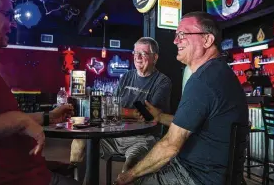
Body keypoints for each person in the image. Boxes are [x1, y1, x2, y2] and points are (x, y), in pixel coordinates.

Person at [114, 11, 249, 185]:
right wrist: (160, 116)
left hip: (196, 177)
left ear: (207, 40)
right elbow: (191, 124)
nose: (175, 41)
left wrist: (129, 175)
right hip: (211, 173)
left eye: (182, 35)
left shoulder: (203, 81)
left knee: (132, 179)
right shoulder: (216, 73)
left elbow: (171, 145)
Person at [0, 0, 80, 185]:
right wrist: (19, 121)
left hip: (34, 172)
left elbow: (3, 119)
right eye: (8, 15)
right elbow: (12, 121)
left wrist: (49, 117)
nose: (13, 24)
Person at [99, 37, 172, 172]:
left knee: (129, 170)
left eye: (143, 53)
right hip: (116, 134)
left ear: (154, 58)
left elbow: (147, 115)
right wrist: (132, 113)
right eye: (135, 52)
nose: (137, 57)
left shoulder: (162, 82)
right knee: (81, 144)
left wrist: (121, 111)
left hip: (143, 138)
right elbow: (110, 109)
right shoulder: (127, 76)